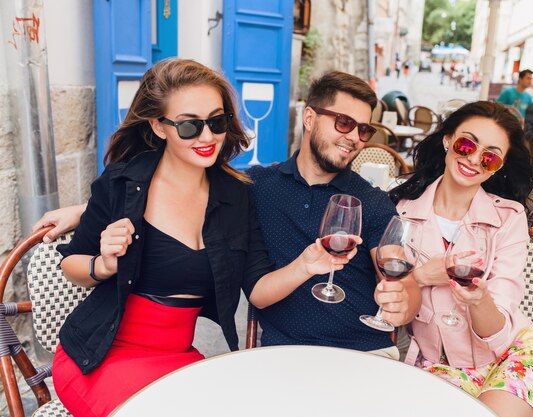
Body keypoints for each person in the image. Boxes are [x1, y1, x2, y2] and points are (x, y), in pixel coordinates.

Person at [34, 71, 421, 361]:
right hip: (281, 354)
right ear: (308, 118)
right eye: (343, 122)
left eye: (364, 129)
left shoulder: (370, 202)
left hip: (364, 353)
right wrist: (86, 212)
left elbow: (400, 274)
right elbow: (180, 192)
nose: (354, 136)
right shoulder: (254, 187)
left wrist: (408, 299)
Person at [49, 58, 355, 417]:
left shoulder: (236, 196)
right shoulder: (122, 184)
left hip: (176, 360)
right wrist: (102, 265)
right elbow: (71, 263)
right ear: (158, 127)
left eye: (217, 121)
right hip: (100, 357)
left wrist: (305, 266)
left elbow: (256, 289)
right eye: (190, 126)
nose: (207, 136)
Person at [389, 101, 533, 417]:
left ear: (499, 165)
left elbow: (496, 334)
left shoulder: (508, 219)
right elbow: (393, 308)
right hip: (435, 364)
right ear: (447, 139)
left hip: (513, 357)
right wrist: (419, 277)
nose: (473, 159)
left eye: (489, 156)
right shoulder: (401, 210)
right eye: (466, 143)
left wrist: (478, 299)